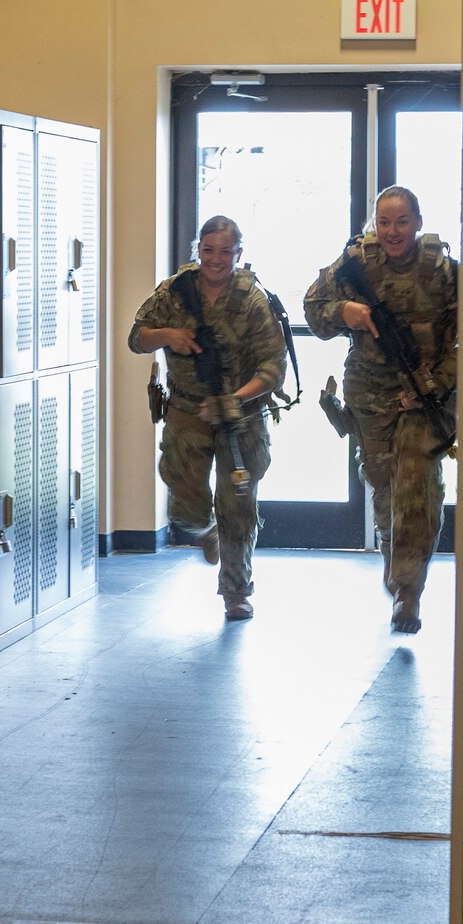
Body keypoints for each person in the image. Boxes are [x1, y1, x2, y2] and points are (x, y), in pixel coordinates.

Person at [304, 186, 458, 633]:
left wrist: (434, 383)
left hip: (424, 395)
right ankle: (394, 560)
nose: (393, 231)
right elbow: (313, 312)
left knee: (416, 482)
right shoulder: (356, 263)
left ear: (419, 222)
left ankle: (408, 592)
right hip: (369, 394)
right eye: (384, 222)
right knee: (385, 488)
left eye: (402, 221)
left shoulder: (443, 272)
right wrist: (344, 310)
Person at [129, 215, 286, 621]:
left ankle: (236, 591)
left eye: (225, 252)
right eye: (208, 250)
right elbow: (137, 337)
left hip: (242, 415)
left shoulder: (252, 301)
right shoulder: (176, 291)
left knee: (237, 506)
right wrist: (169, 336)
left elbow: (273, 369)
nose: (215, 259)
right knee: (186, 507)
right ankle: (206, 532)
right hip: (187, 410)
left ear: (239, 254)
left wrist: (234, 398)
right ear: (198, 250)